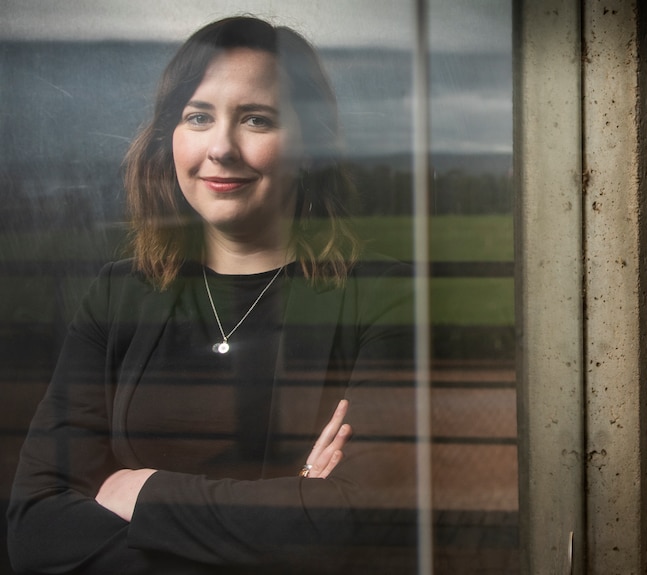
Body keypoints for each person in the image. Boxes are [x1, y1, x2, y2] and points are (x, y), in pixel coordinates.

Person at [7, 16, 416, 574]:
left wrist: (145, 493)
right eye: (198, 117)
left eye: (256, 119)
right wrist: (286, 516)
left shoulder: (381, 298)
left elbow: (358, 524)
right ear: (169, 138)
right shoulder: (118, 295)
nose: (221, 148)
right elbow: (35, 527)